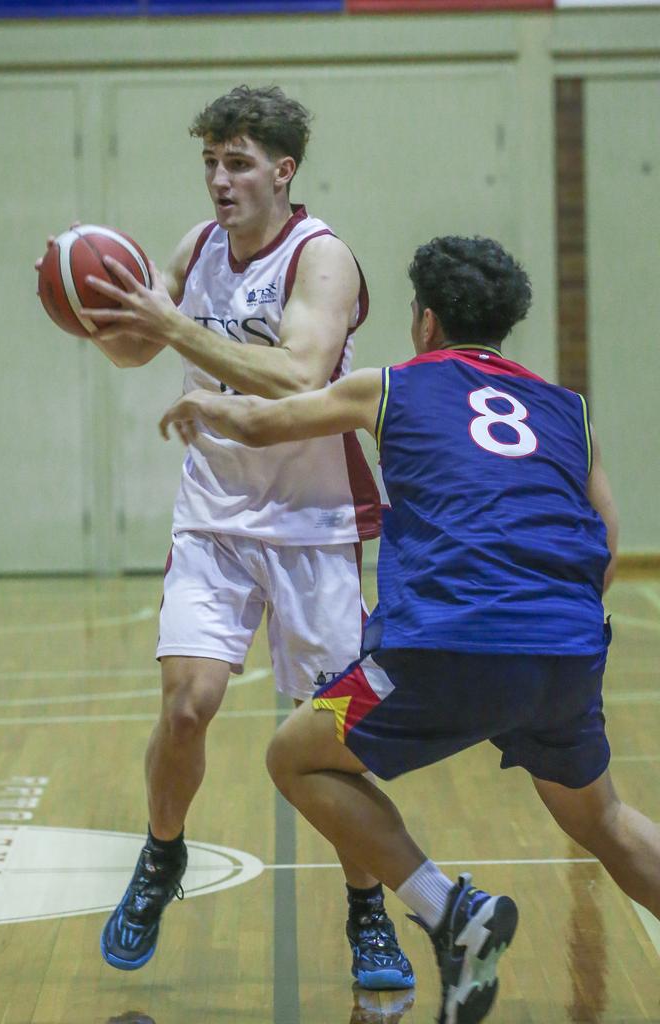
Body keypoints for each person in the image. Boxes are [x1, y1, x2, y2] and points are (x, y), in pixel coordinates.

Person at [159, 235, 660, 1024]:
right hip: (567, 652)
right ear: (505, 326)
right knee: (606, 822)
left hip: (443, 648)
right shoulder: (568, 411)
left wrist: (205, 404)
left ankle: (450, 910)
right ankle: (454, 914)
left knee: (294, 758)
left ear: (424, 322)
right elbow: (607, 545)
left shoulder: (389, 387)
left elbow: (267, 423)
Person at [54, 85, 414, 987]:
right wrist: (91, 311)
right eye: (211, 162)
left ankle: (368, 909)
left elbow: (298, 374)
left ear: (283, 170)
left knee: (332, 739)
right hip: (213, 518)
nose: (220, 180)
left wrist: (177, 327)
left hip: (312, 525)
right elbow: (141, 348)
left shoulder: (321, 258)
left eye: (239, 163)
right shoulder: (196, 247)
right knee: (187, 705)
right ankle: (162, 855)